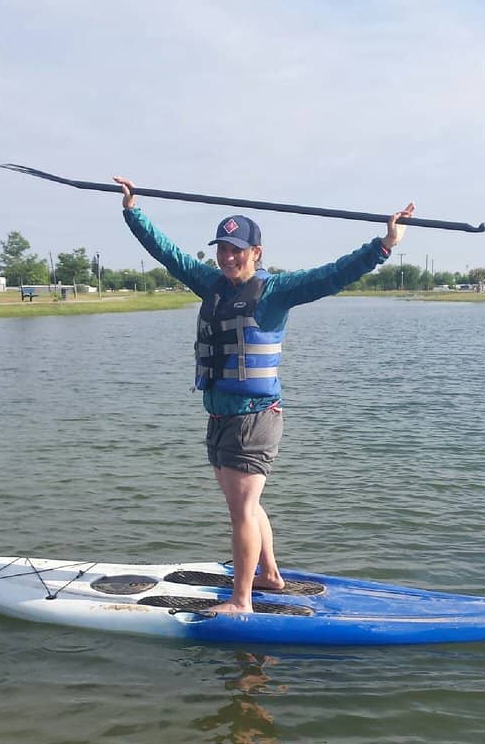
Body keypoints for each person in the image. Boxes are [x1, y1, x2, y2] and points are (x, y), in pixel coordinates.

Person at [114, 176, 415, 615]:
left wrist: (383, 244)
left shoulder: (275, 291)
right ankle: (269, 576)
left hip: (254, 416)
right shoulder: (210, 283)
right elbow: (168, 253)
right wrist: (133, 211)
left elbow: (333, 275)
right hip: (220, 415)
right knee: (247, 506)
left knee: (242, 512)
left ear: (256, 252)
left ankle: (241, 601)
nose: (228, 256)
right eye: (222, 248)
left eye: (237, 249)